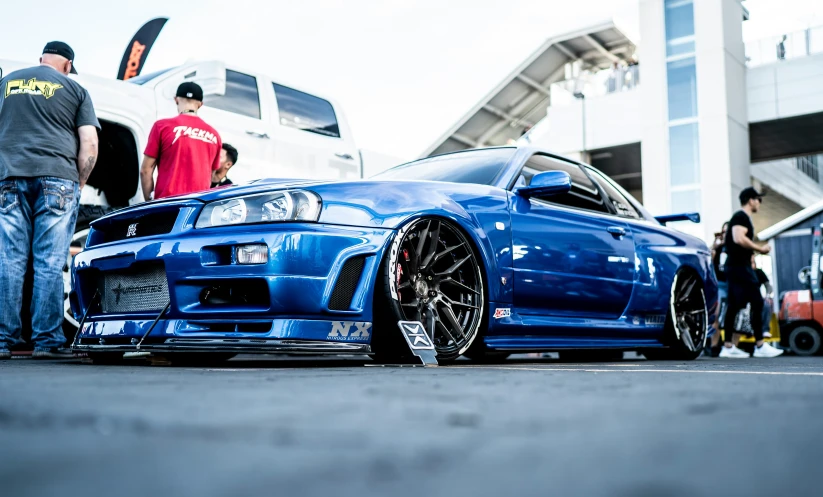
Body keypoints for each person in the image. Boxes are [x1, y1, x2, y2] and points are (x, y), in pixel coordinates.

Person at [0, 42, 100, 359]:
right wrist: (80, 182)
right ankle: (46, 342)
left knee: (8, 261)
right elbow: (90, 143)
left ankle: (2, 340)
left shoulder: (6, 84)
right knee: (49, 262)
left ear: (41, 60)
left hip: (9, 177)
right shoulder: (75, 89)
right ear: (67, 65)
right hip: (57, 178)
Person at [719, 187, 783, 358]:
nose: (759, 203)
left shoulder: (741, 217)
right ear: (750, 200)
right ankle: (760, 345)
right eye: (758, 200)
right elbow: (739, 238)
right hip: (739, 266)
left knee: (734, 305)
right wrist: (759, 249)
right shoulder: (740, 217)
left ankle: (727, 347)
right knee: (757, 301)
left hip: (735, 266)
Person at [140, 82, 221, 201]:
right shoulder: (214, 135)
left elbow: (145, 170)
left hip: (167, 203)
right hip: (197, 206)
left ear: (176, 99)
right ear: (200, 104)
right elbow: (212, 175)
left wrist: (149, 201)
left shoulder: (162, 126)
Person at [709, 222, 729, 355]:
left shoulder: (735, 247)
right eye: (724, 231)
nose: (725, 234)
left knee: (729, 316)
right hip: (720, 284)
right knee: (716, 316)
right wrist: (714, 245)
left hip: (732, 284)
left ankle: (729, 345)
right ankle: (713, 347)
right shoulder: (718, 248)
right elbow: (708, 259)